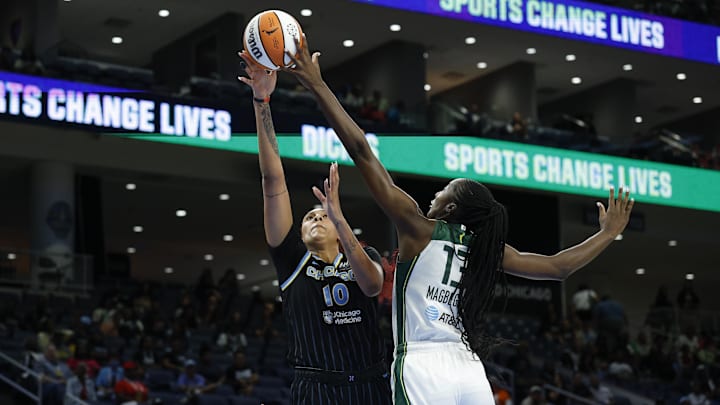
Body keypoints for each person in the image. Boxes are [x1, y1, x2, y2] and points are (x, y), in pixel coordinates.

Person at [283, 35, 635, 404]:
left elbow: (361, 150)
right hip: (467, 367)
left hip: (423, 361)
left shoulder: (417, 226)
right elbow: (558, 268)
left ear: (450, 208)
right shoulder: (483, 248)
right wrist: (607, 234)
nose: (435, 194)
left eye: (443, 191)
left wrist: (318, 85)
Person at [237, 50, 392, 404]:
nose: (317, 219)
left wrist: (338, 217)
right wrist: (262, 101)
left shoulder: (362, 255)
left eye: (323, 216)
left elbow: (371, 286)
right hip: (316, 387)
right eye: (310, 218)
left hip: (370, 384)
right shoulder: (292, 258)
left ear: (340, 230)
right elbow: (272, 179)